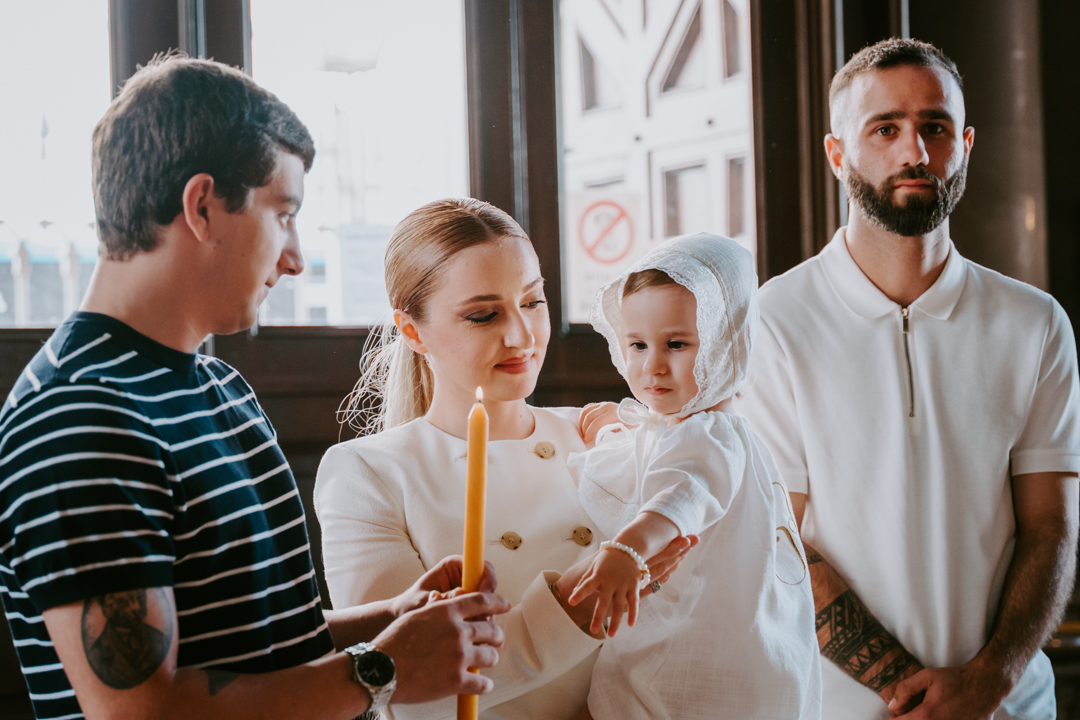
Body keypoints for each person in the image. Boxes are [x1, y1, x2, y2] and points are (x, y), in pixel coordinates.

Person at [0, 56, 512, 720]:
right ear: (203, 206)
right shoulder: (82, 416)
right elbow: (140, 713)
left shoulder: (221, 389)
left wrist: (392, 621)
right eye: (284, 214)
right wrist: (385, 669)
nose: (295, 257)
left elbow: (252, 650)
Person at [736, 38, 1080, 720]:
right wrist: (916, 696)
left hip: (1008, 707)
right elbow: (777, 545)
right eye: (885, 128)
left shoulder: (1034, 321)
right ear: (838, 154)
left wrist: (988, 682)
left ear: (966, 143)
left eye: (935, 127)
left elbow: (1052, 527)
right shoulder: (773, 319)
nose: (915, 152)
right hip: (839, 710)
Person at [313, 198, 695, 720]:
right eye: (483, 314)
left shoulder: (606, 434)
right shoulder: (368, 473)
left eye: (533, 302)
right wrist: (578, 609)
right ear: (412, 330)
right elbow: (415, 690)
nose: (521, 335)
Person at [563, 233, 822, 720]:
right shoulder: (685, 428)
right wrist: (609, 432)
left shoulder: (710, 435)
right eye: (636, 345)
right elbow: (646, 465)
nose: (652, 366)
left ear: (726, 345)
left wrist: (627, 549)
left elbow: (680, 497)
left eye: (677, 344)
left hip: (705, 655)